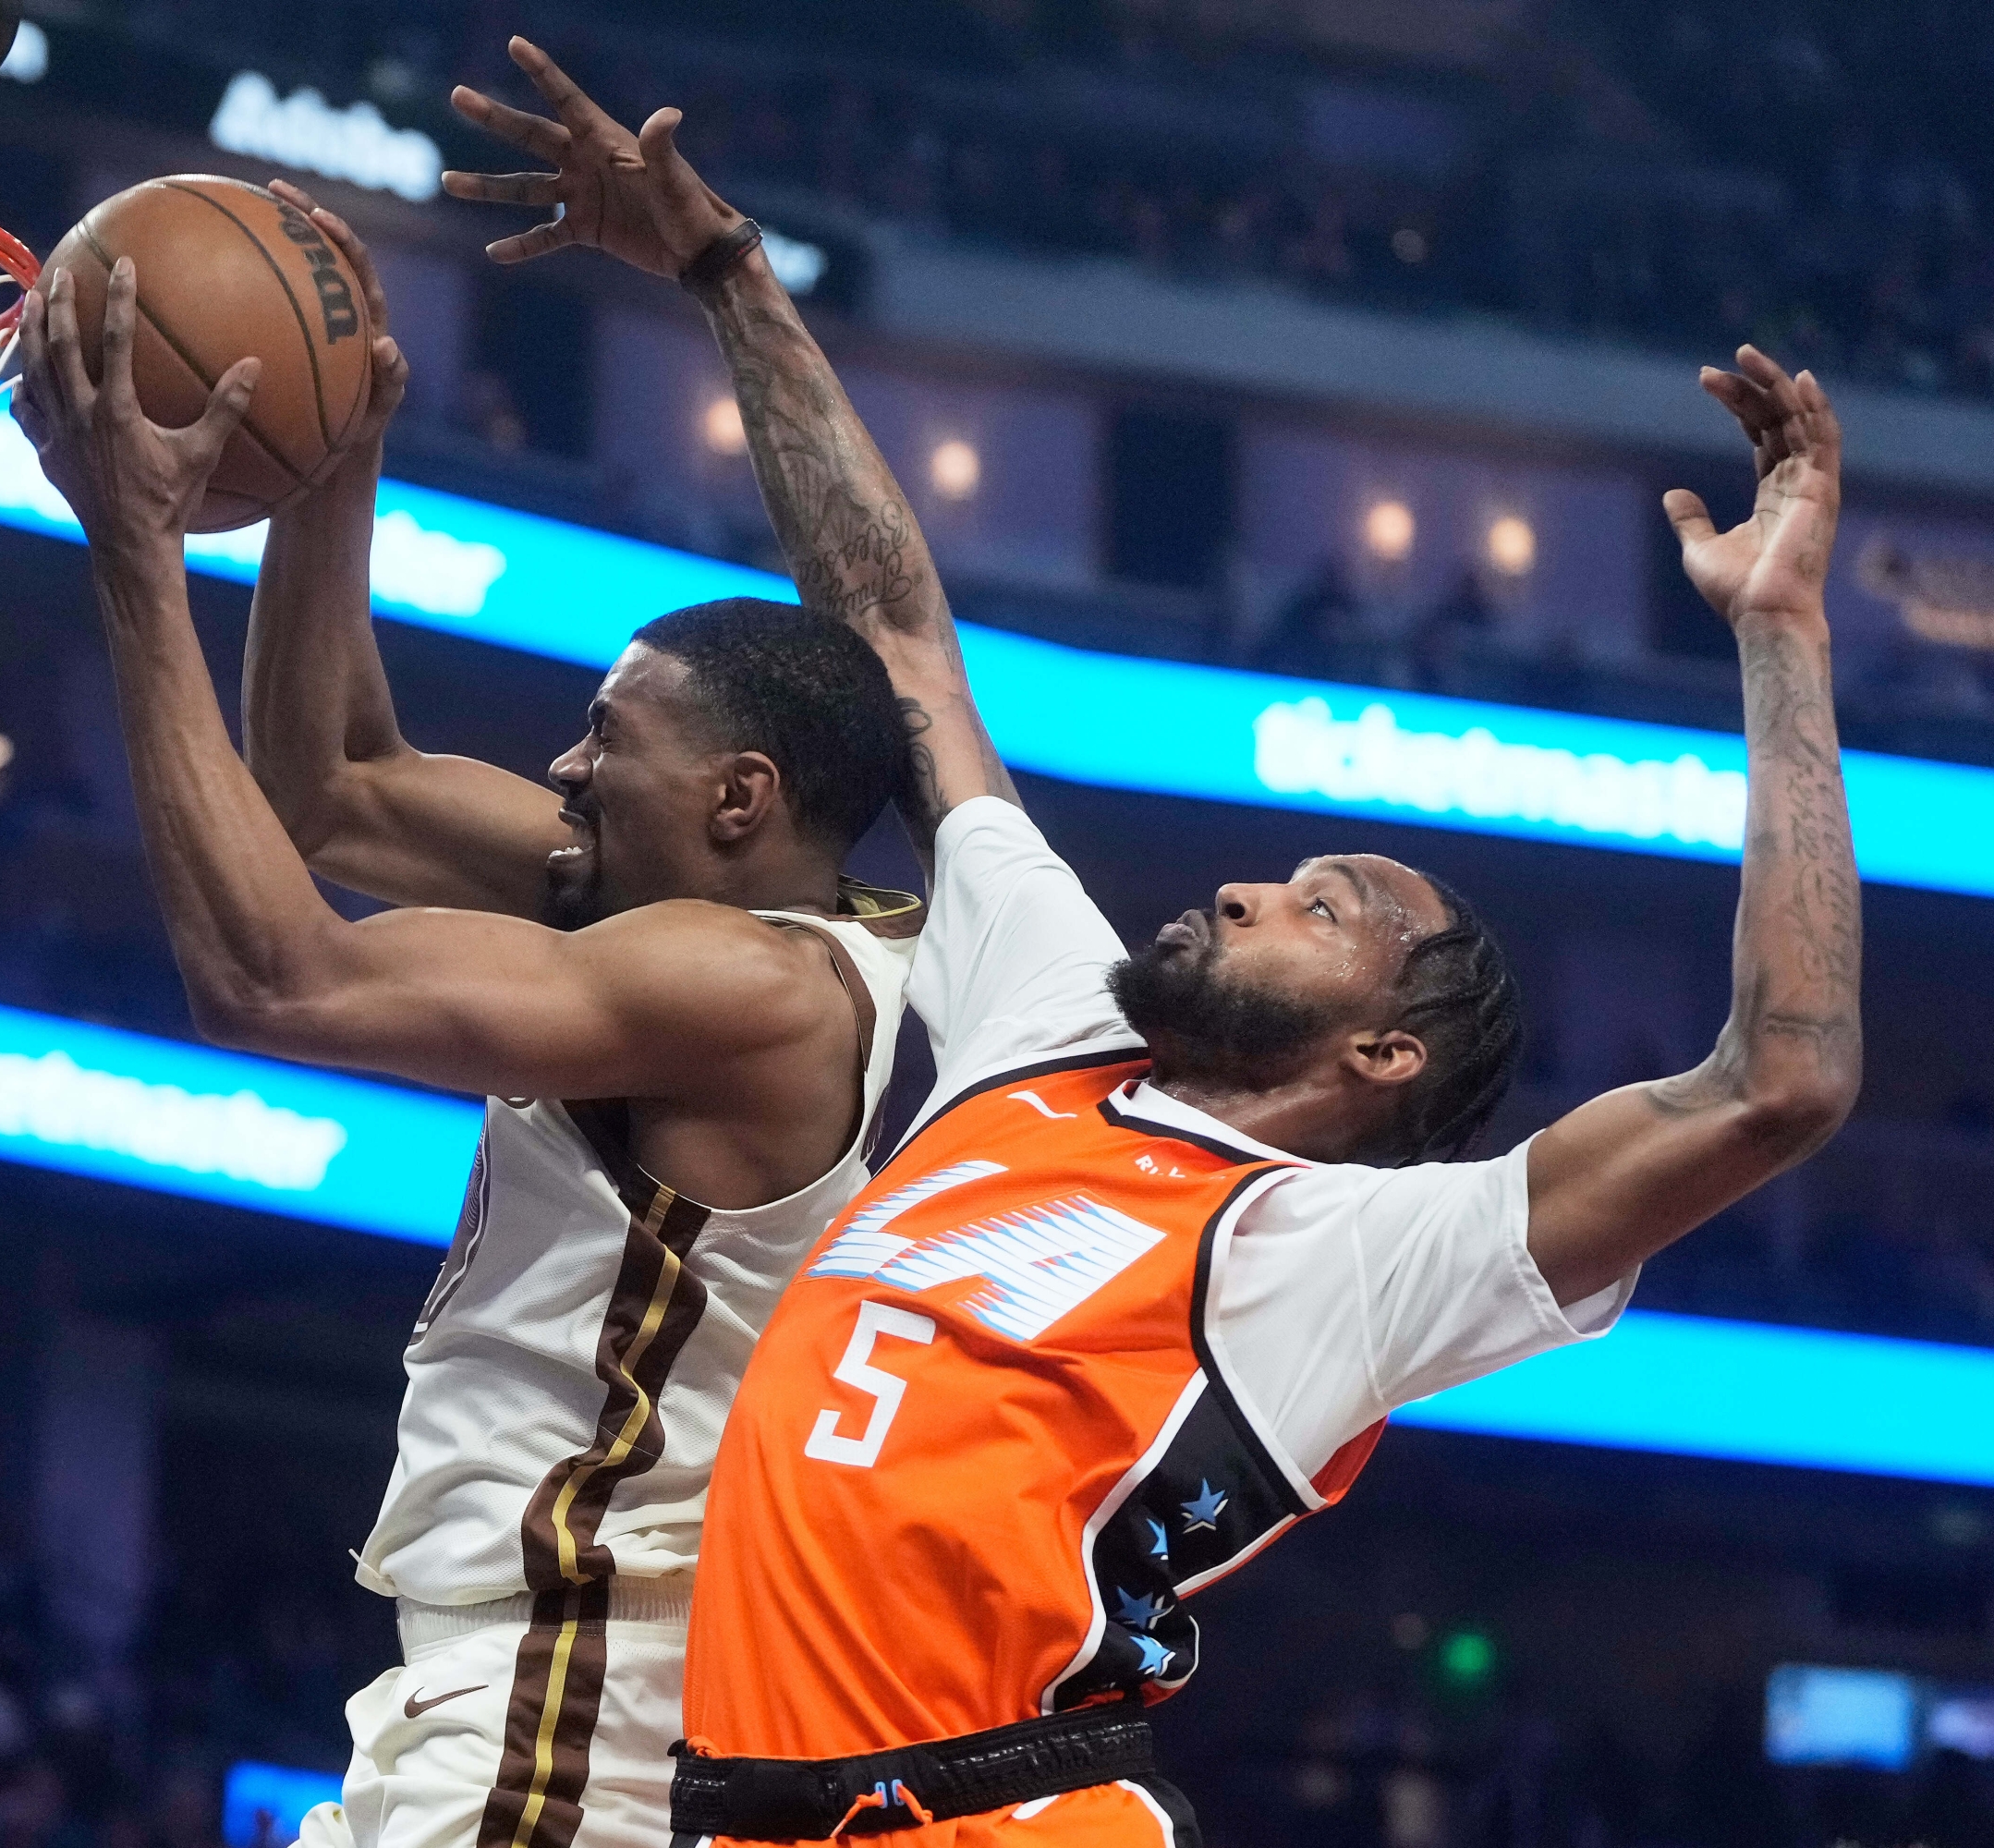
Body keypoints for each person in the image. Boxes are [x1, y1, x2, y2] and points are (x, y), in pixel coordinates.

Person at [461, 65, 1864, 1841]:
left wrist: (1782, 636)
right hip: (753, 1812)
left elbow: (1783, 1080)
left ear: (1384, 1058)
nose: (1254, 893)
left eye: (1326, 907)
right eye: (1284, 872)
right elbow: (894, 627)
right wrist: (729, 271)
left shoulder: (1340, 1250)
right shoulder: (1046, 1017)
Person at [7, 113, 930, 1848]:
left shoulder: (753, 992)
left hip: (592, 1711)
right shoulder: (719, 913)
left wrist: (136, 556)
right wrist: (334, 459)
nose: (566, 775)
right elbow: (330, 792)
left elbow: (273, 979)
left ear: (742, 800)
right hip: (527, 1689)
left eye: (608, 741)